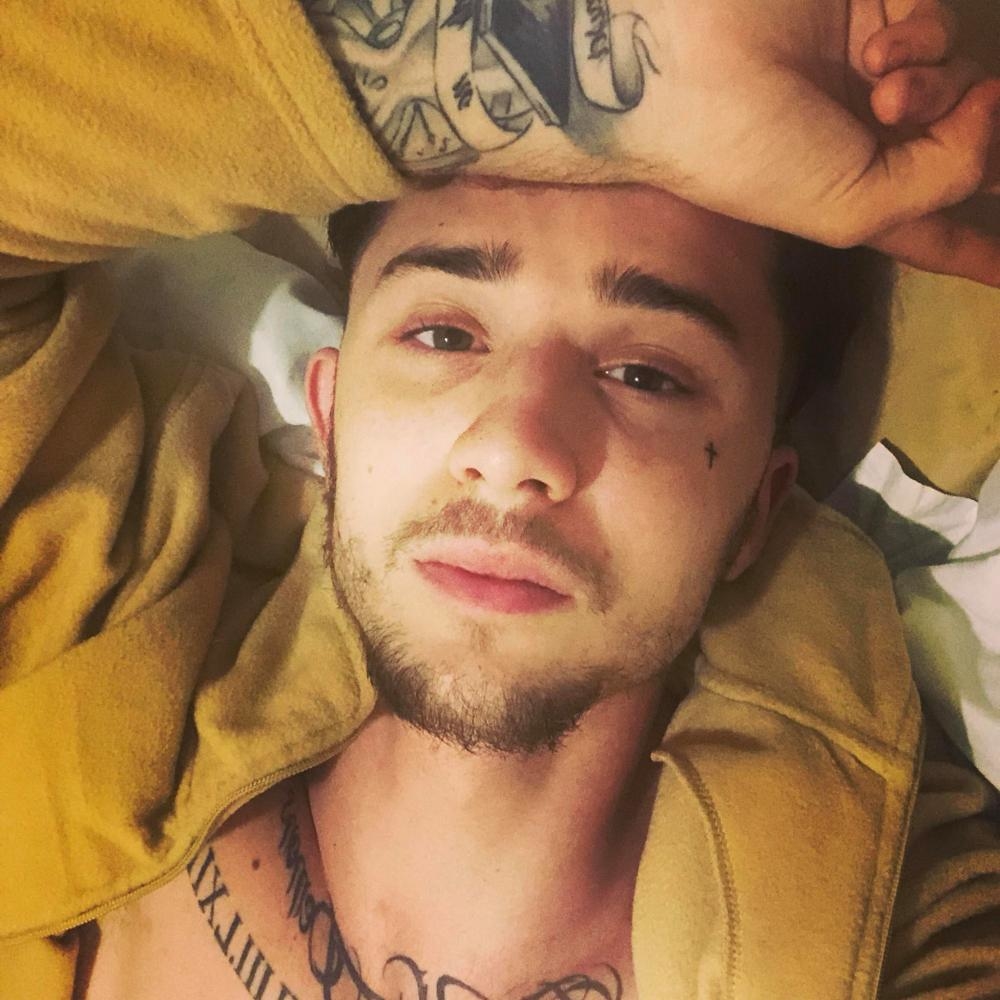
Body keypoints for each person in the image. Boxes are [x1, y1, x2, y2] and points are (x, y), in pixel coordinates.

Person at [0, 1, 997, 998]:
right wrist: (568, 71)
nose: (514, 449)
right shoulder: (101, 599)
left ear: (758, 509)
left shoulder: (900, 930)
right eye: (444, 335)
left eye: (646, 375)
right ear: (333, 416)